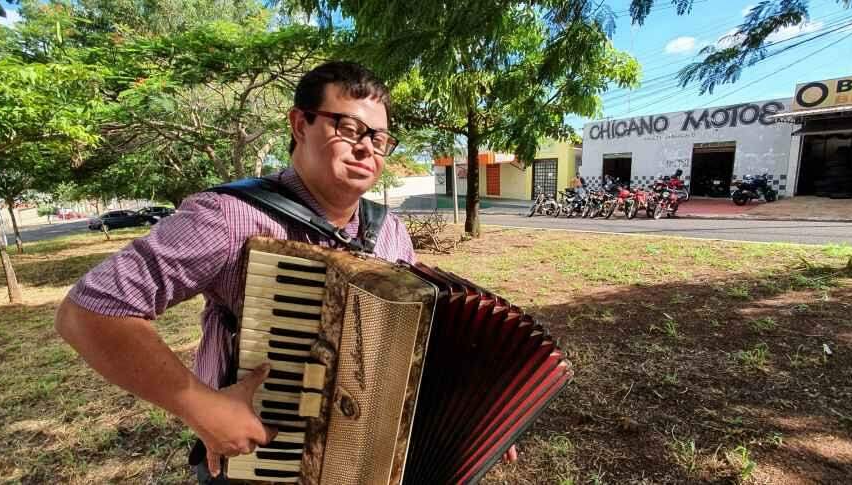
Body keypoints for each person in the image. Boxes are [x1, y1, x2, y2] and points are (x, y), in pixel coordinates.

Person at [54, 61, 515, 483]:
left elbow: (417, 340)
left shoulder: (389, 231)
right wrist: (201, 406)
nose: (365, 148)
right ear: (300, 124)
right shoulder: (229, 216)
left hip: (363, 458)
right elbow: (89, 312)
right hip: (261, 464)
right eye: (348, 127)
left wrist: (474, 416)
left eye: (378, 138)